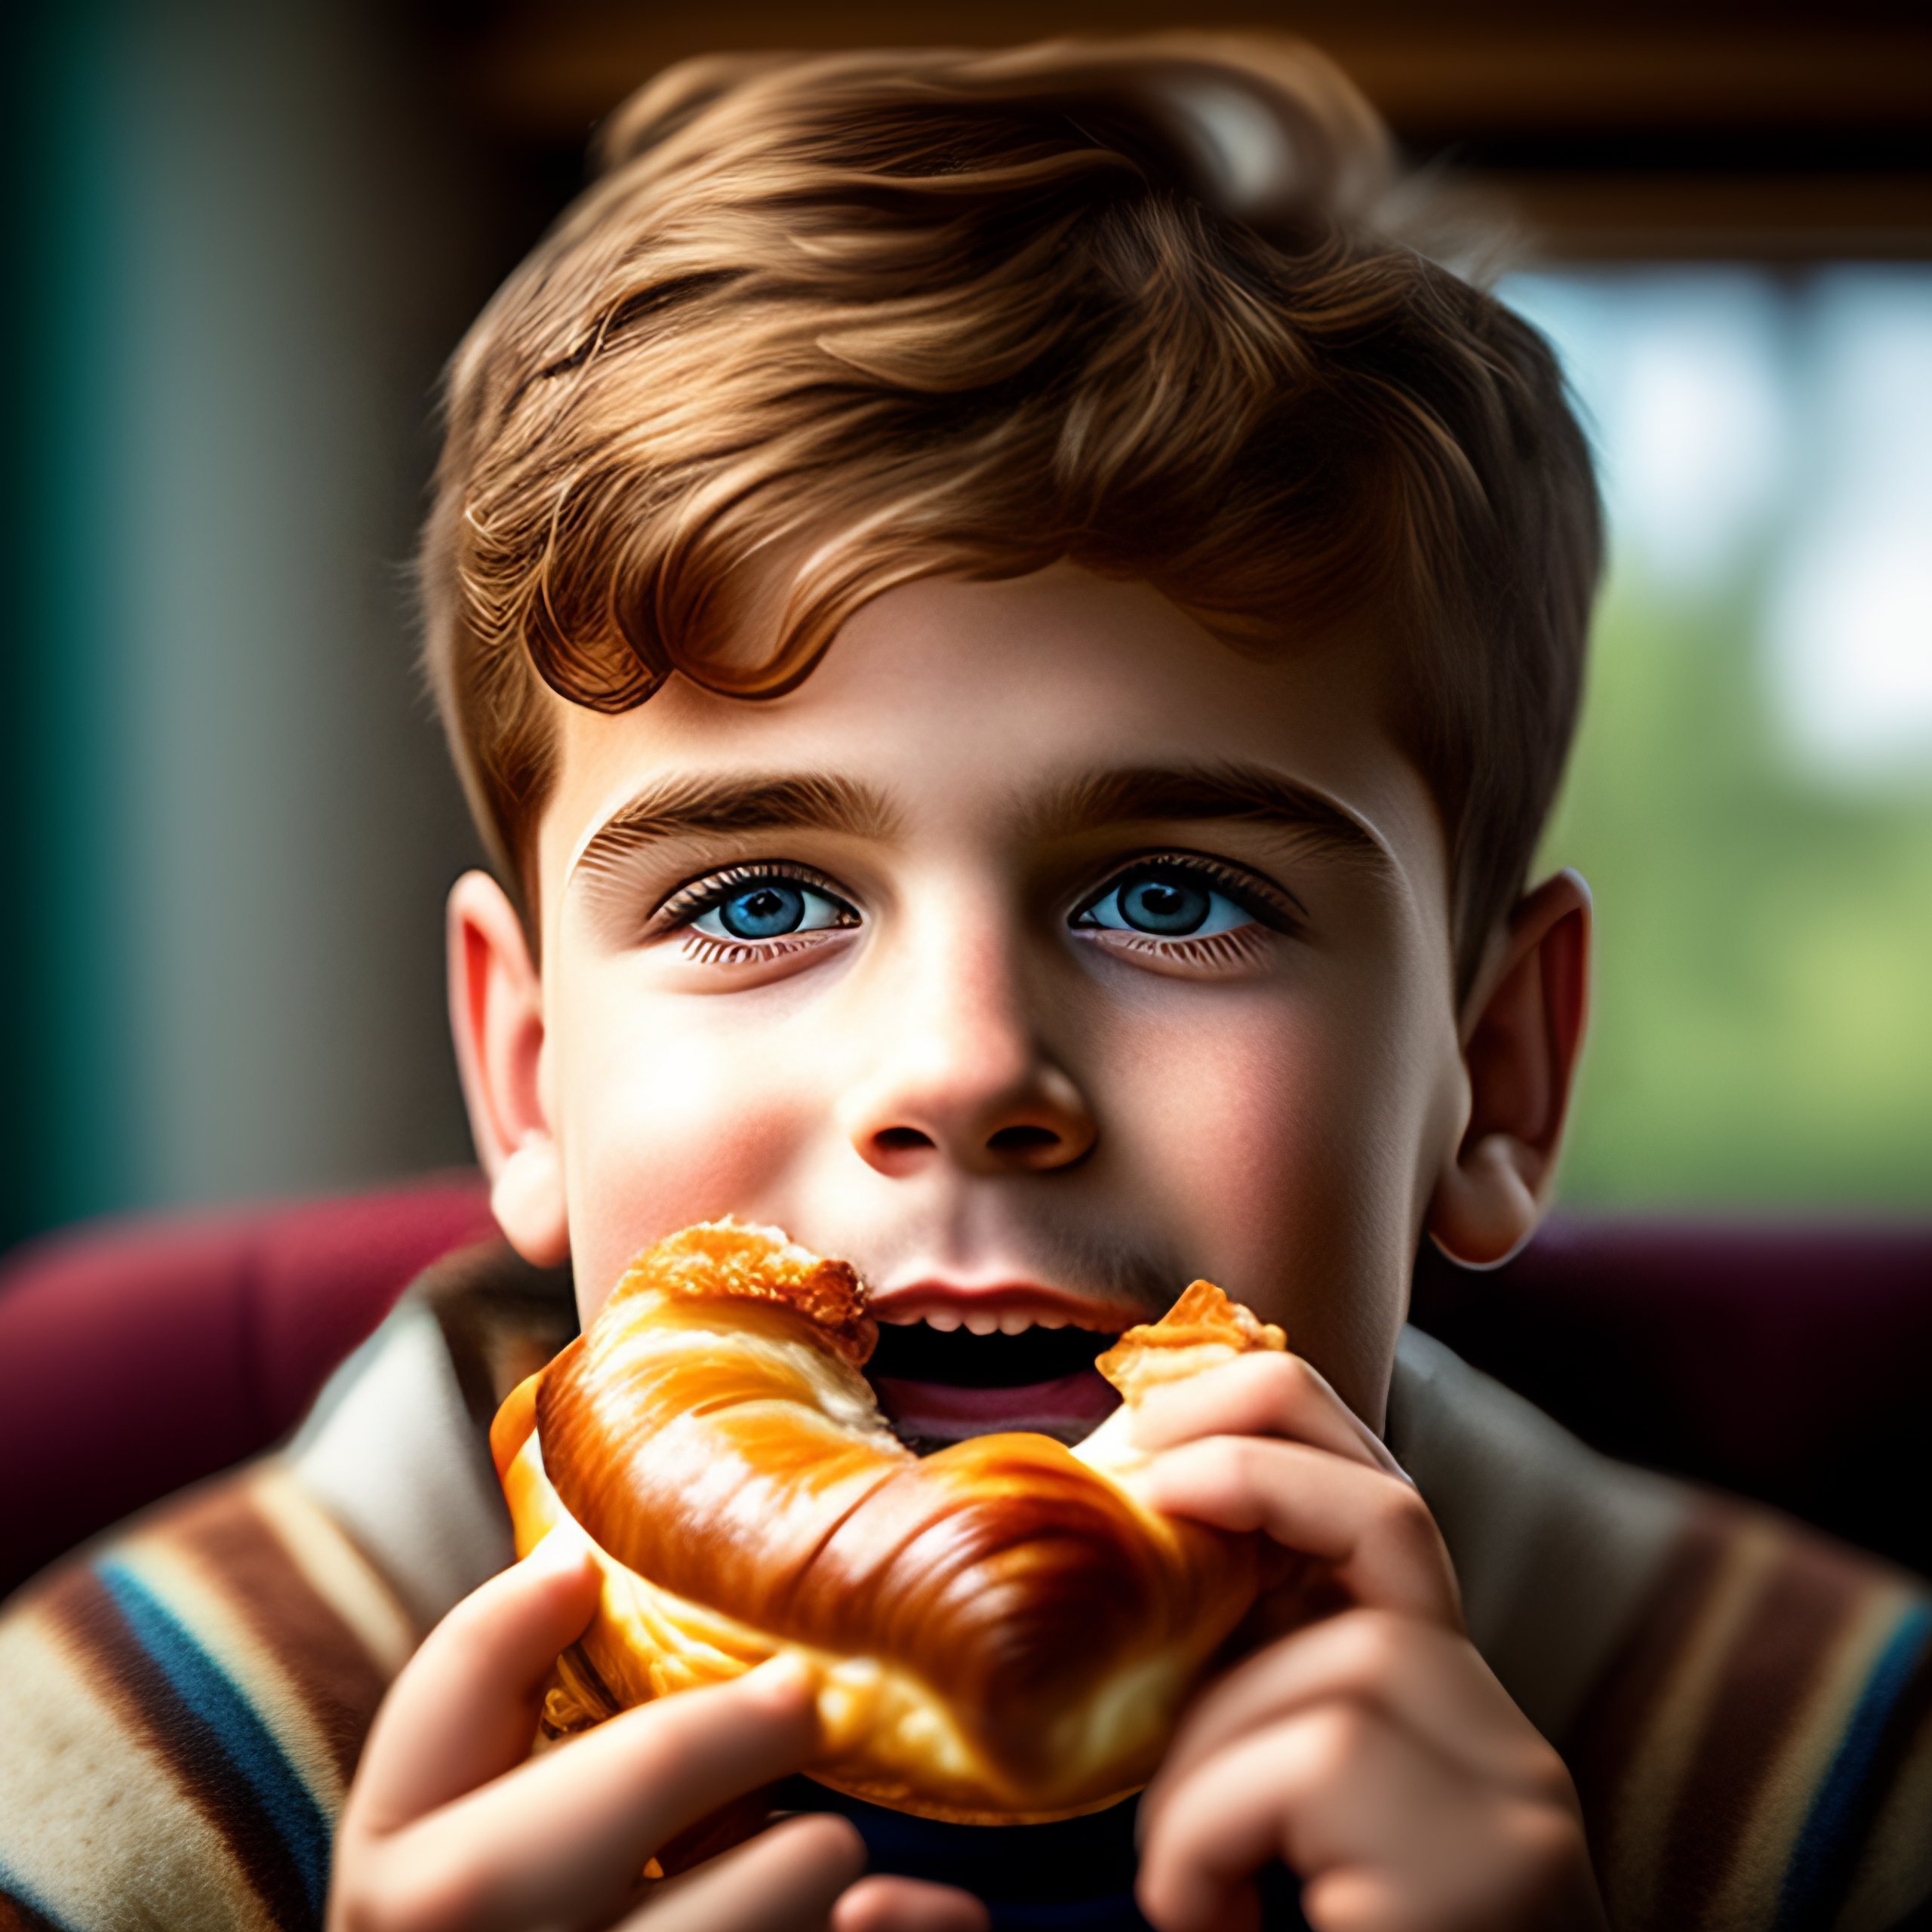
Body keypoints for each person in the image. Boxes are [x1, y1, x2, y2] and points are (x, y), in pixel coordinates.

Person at [2, 35, 1927, 1932]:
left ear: (1488, 1070)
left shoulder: (1824, 1793)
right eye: (757, 903)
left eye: (1172, 893)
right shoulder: (119, 1796)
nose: (966, 1064)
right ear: (526, 1078)